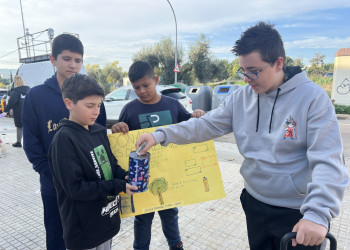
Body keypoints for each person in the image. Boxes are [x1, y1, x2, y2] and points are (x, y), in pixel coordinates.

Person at [135, 22, 349, 250]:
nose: (246, 78)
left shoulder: (313, 99)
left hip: (297, 215)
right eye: (242, 70)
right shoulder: (241, 97)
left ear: (278, 63)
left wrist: (317, 214)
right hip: (254, 203)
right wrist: (160, 135)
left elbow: (328, 160)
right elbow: (204, 125)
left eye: (254, 71)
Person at [22, 33, 107, 250]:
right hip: (54, 187)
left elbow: (99, 137)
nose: (73, 65)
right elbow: (31, 142)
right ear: (53, 60)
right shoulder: (37, 96)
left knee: (93, 236)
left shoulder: (91, 95)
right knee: (57, 237)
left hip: (89, 185)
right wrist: (51, 175)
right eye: (67, 59)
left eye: (78, 60)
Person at [111, 60, 205, 250]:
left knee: (170, 214)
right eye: (137, 87)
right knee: (143, 218)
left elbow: (188, 125)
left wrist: (196, 115)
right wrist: (116, 128)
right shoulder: (129, 110)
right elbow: (121, 139)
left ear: (155, 80)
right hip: (142, 177)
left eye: (146, 85)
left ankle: (176, 245)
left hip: (170, 173)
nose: (142, 91)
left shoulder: (173, 104)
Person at [48, 74, 138, 249]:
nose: (96, 111)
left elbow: (111, 165)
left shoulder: (98, 130)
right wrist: (117, 186)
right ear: (69, 104)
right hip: (84, 232)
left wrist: (127, 177)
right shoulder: (64, 140)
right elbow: (76, 189)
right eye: (90, 106)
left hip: (107, 222)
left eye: (99, 105)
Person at [3, 75, 30, 147]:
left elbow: (12, 102)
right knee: (28, 126)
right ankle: (29, 142)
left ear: (15, 82)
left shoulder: (15, 91)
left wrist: (5, 111)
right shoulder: (28, 90)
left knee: (19, 126)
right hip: (29, 111)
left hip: (19, 111)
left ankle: (18, 142)